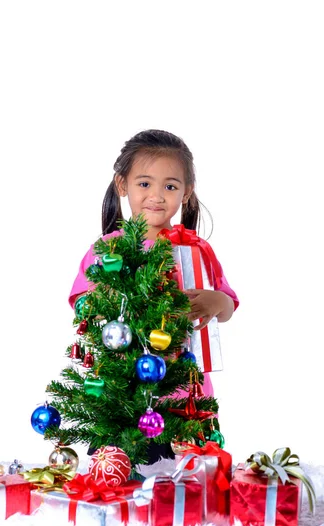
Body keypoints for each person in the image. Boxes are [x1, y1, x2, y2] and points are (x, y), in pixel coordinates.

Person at [69, 129, 239, 461]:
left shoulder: (195, 250)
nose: (157, 196)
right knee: (118, 478)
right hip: (122, 393)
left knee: (187, 485)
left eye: (170, 186)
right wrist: (103, 299)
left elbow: (228, 303)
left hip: (184, 396)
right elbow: (80, 302)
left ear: (186, 192)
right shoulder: (107, 249)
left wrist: (217, 301)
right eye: (144, 184)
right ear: (122, 185)